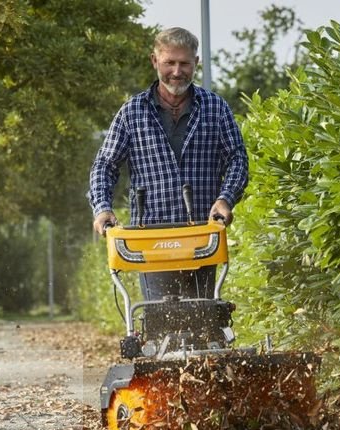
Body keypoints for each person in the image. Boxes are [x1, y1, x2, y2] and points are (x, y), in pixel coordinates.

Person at [89, 27, 248, 301]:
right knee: (160, 319)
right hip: (150, 238)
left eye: (184, 63)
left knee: (204, 317)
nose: (177, 71)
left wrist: (225, 199)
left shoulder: (215, 108)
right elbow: (105, 165)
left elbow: (237, 159)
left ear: (196, 63)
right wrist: (102, 209)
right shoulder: (132, 112)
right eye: (169, 63)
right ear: (155, 61)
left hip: (201, 233)